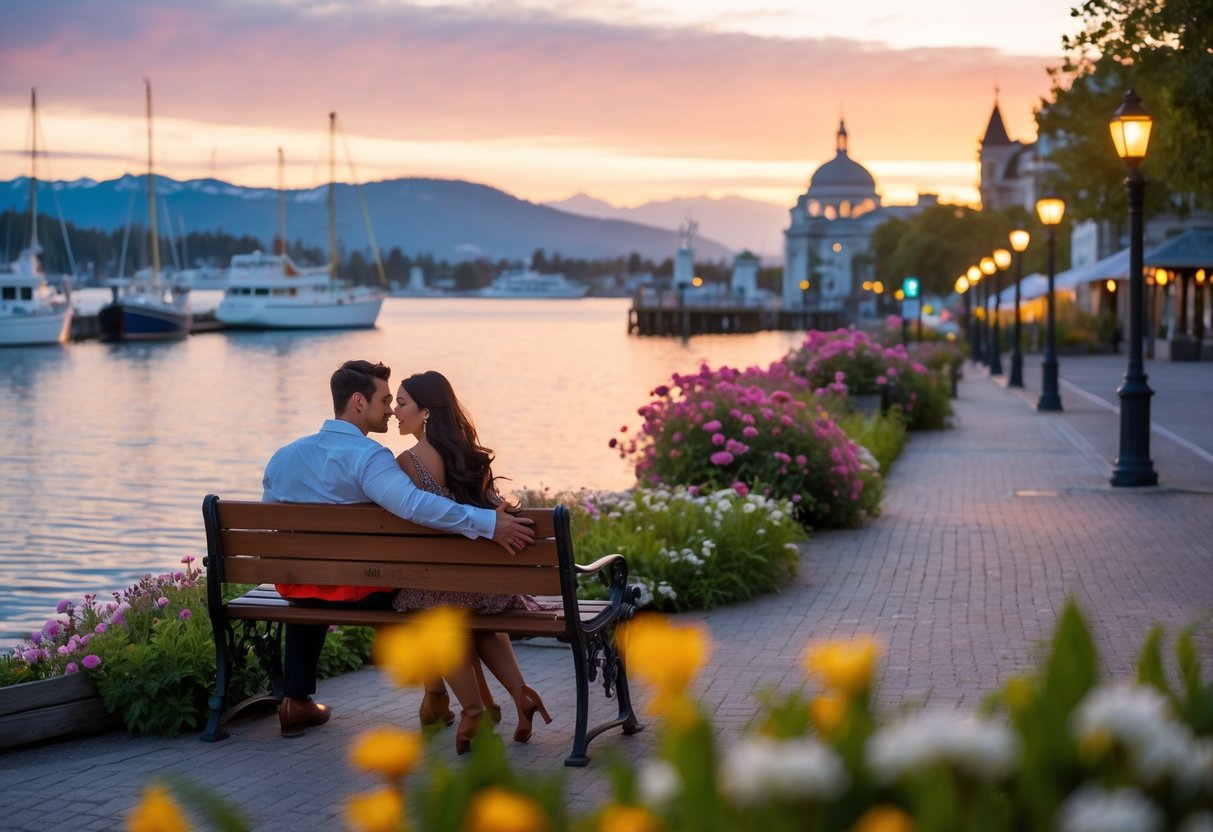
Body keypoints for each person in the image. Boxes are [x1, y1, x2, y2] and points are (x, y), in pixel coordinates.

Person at [261, 360, 535, 738]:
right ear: (358, 401)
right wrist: (488, 523)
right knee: (424, 593)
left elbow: (269, 522)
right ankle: (441, 696)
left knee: (315, 583)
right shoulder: (369, 457)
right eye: (385, 399)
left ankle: (295, 700)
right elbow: (415, 505)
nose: (390, 409)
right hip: (363, 590)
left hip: (297, 586)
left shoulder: (286, 455)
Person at [392, 370, 553, 753]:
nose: (396, 412)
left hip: (437, 589)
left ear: (426, 412)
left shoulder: (408, 462)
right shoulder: (470, 455)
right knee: (476, 615)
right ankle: (521, 694)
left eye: (402, 404)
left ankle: (474, 710)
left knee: (434, 615)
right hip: (487, 588)